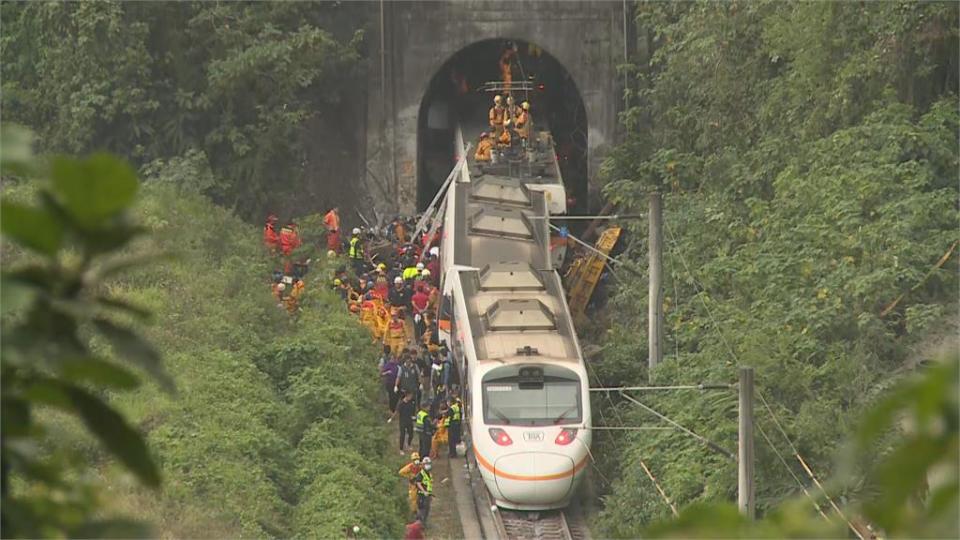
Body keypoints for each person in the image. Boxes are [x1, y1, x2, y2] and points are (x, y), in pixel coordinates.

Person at [414, 457, 433, 525]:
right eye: (426, 464)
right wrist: (424, 491)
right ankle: (419, 524)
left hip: (428, 495)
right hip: (422, 495)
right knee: (422, 510)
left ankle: (423, 524)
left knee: (426, 510)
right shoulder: (421, 474)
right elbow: (418, 483)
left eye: (428, 463)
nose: (428, 465)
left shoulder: (429, 474)